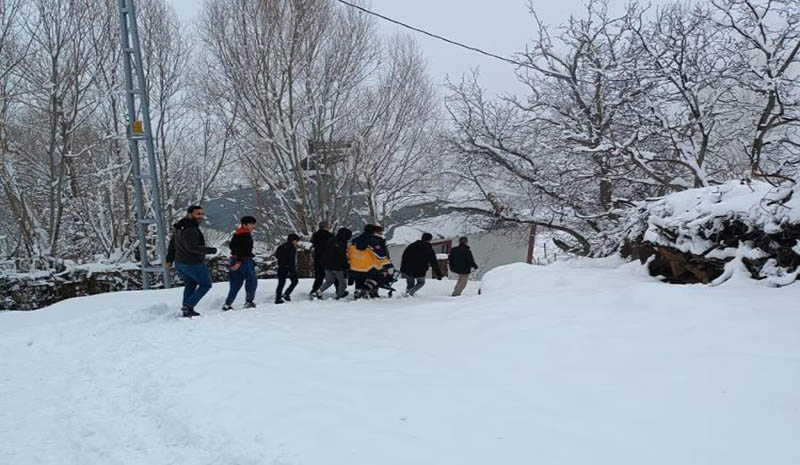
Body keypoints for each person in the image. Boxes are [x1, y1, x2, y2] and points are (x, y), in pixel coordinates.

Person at [166, 205, 218, 318]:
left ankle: (187, 310)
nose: (201, 216)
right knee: (206, 284)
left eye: (202, 214)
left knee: (191, 284)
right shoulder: (191, 229)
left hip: (180, 263)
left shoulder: (180, 226)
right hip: (192, 263)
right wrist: (211, 250)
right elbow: (192, 247)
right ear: (190, 214)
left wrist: (169, 259)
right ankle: (188, 305)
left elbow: (172, 243)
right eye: (198, 214)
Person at [222, 216, 258, 311]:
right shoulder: (246, 235)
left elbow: (233, 247)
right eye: (251, 224)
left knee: (235, 283)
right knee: (252, 282)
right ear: (244, 224)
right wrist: (239, 262)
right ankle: (249, 302)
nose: (253, 226)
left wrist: (236, 260)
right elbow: (244, 250)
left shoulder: (236, 233)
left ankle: (227, 304)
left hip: (233, 259)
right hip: (244, 261)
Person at [347, 224, 392, 299]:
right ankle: (366, 290)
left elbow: (349, 253)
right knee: (379, 276)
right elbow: (380, 254)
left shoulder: (355, 240)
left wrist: (349, 262)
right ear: (373, 231)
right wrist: (388, 264)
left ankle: (357, 291)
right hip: (367, 267)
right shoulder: (372, 241)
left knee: (359, 278)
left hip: (354, 266)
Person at [312, 227, 352, 300]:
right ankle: (340, 295)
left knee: (329, 280)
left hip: (326, 264)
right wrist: (346, 264)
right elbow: (342, 255)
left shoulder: (330, 240)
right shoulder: (342, 243)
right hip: (337, 266)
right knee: (342, 282)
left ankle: (318, 291)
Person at [400, 232, 443, 296]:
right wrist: (438, 274)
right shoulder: (429, 249)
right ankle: (410, 293)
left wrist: (402, 268)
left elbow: (404, 256)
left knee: (410, 283)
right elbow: (434, 262)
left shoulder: (411, 245)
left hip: (408, 268)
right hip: (420, 270)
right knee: (421, 282)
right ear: (429, 240)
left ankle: (407, 294)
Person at [274, 233, 300, 304]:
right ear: (294, 240)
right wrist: (293, 270)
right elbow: (292, 260)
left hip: (281, 267)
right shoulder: (292, 248)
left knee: (281, 283)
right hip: (289, 268)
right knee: (295, 281)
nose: (296, 242)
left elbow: (277, 255)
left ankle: (278, 297)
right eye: (296, 241)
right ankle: (287, 293)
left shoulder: (281, 247)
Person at [310, 221, 333, 296]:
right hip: (327, 258)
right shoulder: (329, 236)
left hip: (317, 256)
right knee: (332, 275)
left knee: (319, 276)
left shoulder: (315, 235)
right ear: (326, 227)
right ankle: (339, 290)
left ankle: (314, 289)